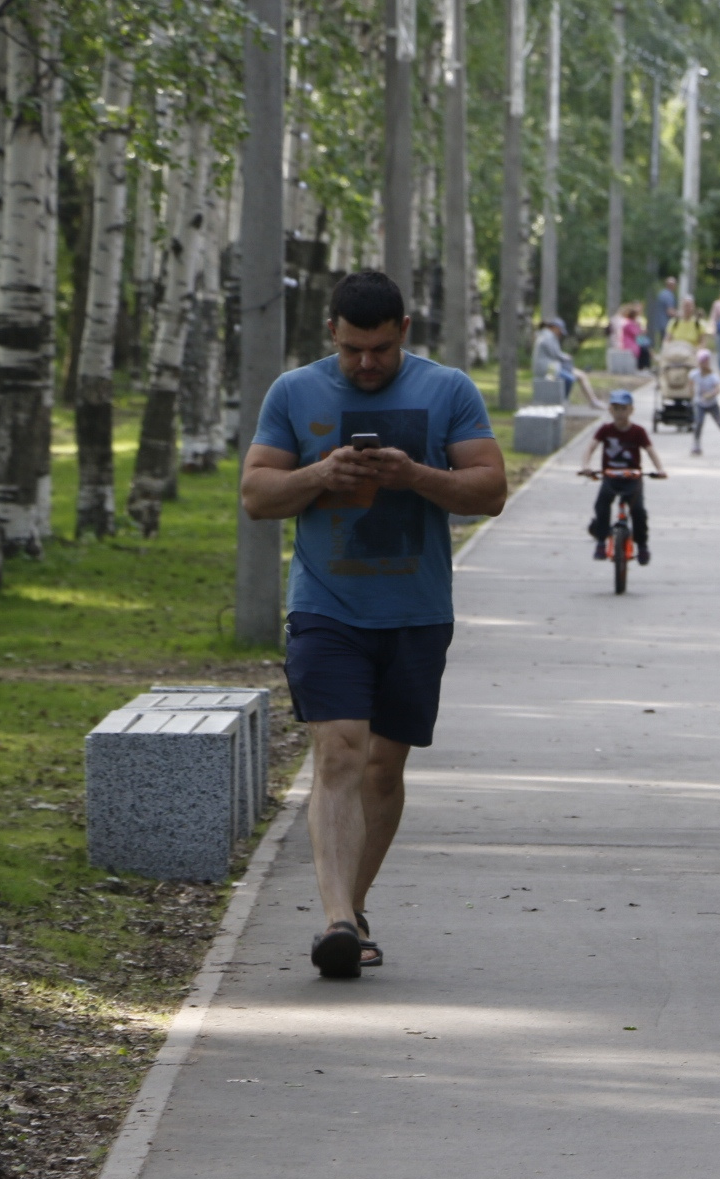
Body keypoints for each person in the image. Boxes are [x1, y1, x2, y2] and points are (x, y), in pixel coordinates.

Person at [239, 270, 506, 978]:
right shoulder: (294, 392)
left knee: (384, 770)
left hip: (417, 613)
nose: (366, 363)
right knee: (339, 753)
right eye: (353, 348)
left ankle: (353, 911)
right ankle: (333, 920)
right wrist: (319, 476)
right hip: (327, 606)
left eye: (380, 350)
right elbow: (256, 495)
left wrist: (416, 476)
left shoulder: (448, 389)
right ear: (331, 332)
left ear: (404, 333)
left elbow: (491, 489)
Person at [580, 389, 668, 565]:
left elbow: (650, 451)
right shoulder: (605, 430)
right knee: (601, 506)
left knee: (638, 512)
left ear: (631, 410)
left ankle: (642, 546)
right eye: (616, 408)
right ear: (610, 410)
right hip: (610, 477)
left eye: (624, 409)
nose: (620, 412)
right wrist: (586, 467)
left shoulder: (638, 431)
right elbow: (590, 448)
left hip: (632, 478)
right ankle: (600, 542)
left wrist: (660, 469)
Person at [532, 317, 605, 409]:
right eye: (560, 330)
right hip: (548, 369)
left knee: (580, 375)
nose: (560, 334)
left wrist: (565, 356)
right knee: (569, 379)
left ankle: (593, 401)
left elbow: (555, 353)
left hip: (553, 366)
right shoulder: (547, 336)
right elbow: (555, 354)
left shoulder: (548, 335)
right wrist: (566, 357)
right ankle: (563, 400)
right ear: (555, 327)